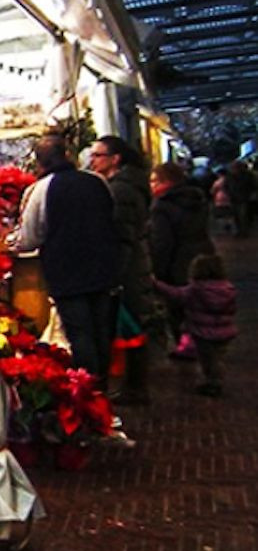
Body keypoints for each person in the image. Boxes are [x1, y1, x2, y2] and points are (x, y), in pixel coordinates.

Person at [14, 135, 120, 380]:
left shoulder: (41, 189)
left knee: (80, 333)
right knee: (101, 331)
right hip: (103, 268)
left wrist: (13, 243)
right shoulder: (98, 182)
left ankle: (89, 391)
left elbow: (29, 238)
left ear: (40, 163)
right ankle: (102, 387)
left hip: (67, 272)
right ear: (68, 155)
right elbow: (111, 218)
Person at [88, 136, 157, 405]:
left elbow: (122, 235)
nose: (92, 161)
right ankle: (134, 386)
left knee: (131, 327)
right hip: (130, 265)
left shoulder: (121, 191)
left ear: (114, 159)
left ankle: (136, 388)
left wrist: (115, 274)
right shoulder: (123, 186)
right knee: (131, 326)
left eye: (97, 156)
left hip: (127, 269)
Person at [153, 254, 236, 397]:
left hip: (203, 332)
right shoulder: (228, 289)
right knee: (218, 358)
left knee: (207, 360)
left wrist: (156, 284)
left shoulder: (196, 289)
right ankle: (216, 380)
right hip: (225, 332)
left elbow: (176, 294)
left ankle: (213, 383)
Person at [149, 162, 213, 286]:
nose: (151, 185)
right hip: (204, 257)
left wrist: (158, 272)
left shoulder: (162, 206)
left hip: (178, 264)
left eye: (154, 180)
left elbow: (162, 243)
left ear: (166, 181)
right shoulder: (196, 198)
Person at [224, 161, 255, 237]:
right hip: (235, 198)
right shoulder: (230, 176)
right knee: (237, 216)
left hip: (243, 198)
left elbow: (253, 185)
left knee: (242, 216)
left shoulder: (248, 175)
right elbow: (226, 186)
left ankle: (243, 231)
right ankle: (240, 231)